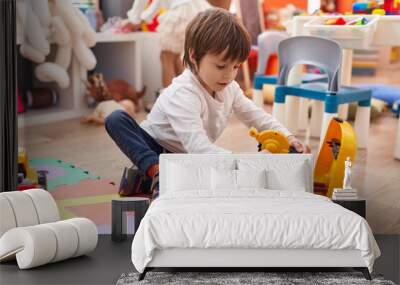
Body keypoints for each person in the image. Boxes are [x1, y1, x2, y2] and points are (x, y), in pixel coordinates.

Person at [105, 8, 309, 200]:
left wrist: (287, 137)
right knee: (116, 119)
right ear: (194, 56)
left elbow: (257, 116)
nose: (229, 75)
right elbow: (198, 146)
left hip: (186, 157)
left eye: (236, 66)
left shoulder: (230, 88)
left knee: (213, 177)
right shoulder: (183, 93)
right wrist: (243, 164)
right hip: (155, 147)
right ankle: (155, 171)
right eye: (221, 66)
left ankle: (144, 179)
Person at [123, 0, 211, 88]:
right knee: (176, 58)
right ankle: (186, 94)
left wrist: (135, 20)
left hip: (181, 10)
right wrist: (141, 19)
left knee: (166, 57)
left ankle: (168, 98)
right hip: (197, 8)